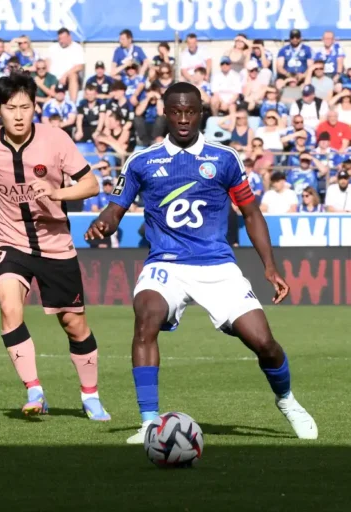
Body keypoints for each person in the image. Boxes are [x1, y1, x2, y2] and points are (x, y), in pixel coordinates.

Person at [85, 82, 317, 444]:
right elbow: (115, 209)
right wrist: (103, 223)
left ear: (200, 114)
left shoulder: (224, 158)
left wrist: (269, 267)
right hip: (166, 264)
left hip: (216, 266)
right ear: (165, 112)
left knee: (264, 343)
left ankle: (287, 400)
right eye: (175, 111)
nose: (182, 118)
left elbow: (251, 212)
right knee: (145, 318)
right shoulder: (141, 162)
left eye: (189, 112)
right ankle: (149, 423)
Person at [0, 71, 111, 421]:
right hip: (11, 242)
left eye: (25, 107)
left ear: (35, 107)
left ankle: (90, 395)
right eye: (11, 108)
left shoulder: (55, 139)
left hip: (56, 246)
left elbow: (91, 184)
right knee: (9, 305)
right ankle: (34, 389)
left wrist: (58, 192)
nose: (18, 115)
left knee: (74, 324)